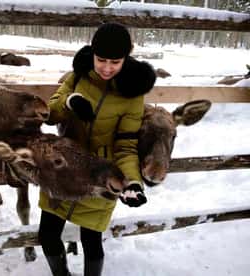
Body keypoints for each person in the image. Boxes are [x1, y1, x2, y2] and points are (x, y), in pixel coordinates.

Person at [38, 23, 156, 276]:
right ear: (92, 53)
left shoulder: (133, 94)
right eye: (101, 59)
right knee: (47, 236)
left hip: (100, 176)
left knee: (91, 243)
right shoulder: (78, 75)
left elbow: (126, 145)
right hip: (62, 169)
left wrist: (132, 183)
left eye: (115, 61)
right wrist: (71, 102)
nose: (106, 68)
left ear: (126, 57)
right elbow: (51, 112)